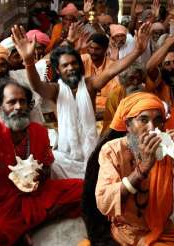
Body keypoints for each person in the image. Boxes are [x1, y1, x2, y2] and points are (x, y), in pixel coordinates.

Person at [0, 46, 83, 245]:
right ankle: (34, 222)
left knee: (82, 188)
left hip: (38, 192)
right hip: (7, 199)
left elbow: (48, 166)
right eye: (12, 102)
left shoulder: (38, 131)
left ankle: (31, 225)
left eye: (23, 102)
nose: (18, 107)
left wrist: (42, 174)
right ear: (0, 107)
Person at [11, 23, 152, 178]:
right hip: (64, 159)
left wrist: (138, 50)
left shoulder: (90, 85)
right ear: (58, 70)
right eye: (65, 65)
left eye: (74, 63)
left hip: (90, 154)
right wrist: (28, 61)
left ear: (80, 66)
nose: (71, 68)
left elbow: (112, 70)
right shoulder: (55, 90)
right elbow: (37, 85)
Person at [95, 92, 174, 245]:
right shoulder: (112, 150)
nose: (152, 128)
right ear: (128, 125)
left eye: (158, 121)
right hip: (130, 232)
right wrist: (143, 169)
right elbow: (105, 201)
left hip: (163, 228)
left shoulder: (168, 146)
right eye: (143, 120)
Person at [81, 32, 120, 113]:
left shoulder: (112, 65)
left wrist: (116, 62)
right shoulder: (83, 60)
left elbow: (117, 93)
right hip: (84, 109)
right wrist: (77, 49)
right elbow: (54, 60)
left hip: (107, 111)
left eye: (97, 49)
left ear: (105, 50)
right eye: (91, 48)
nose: (93, 52)